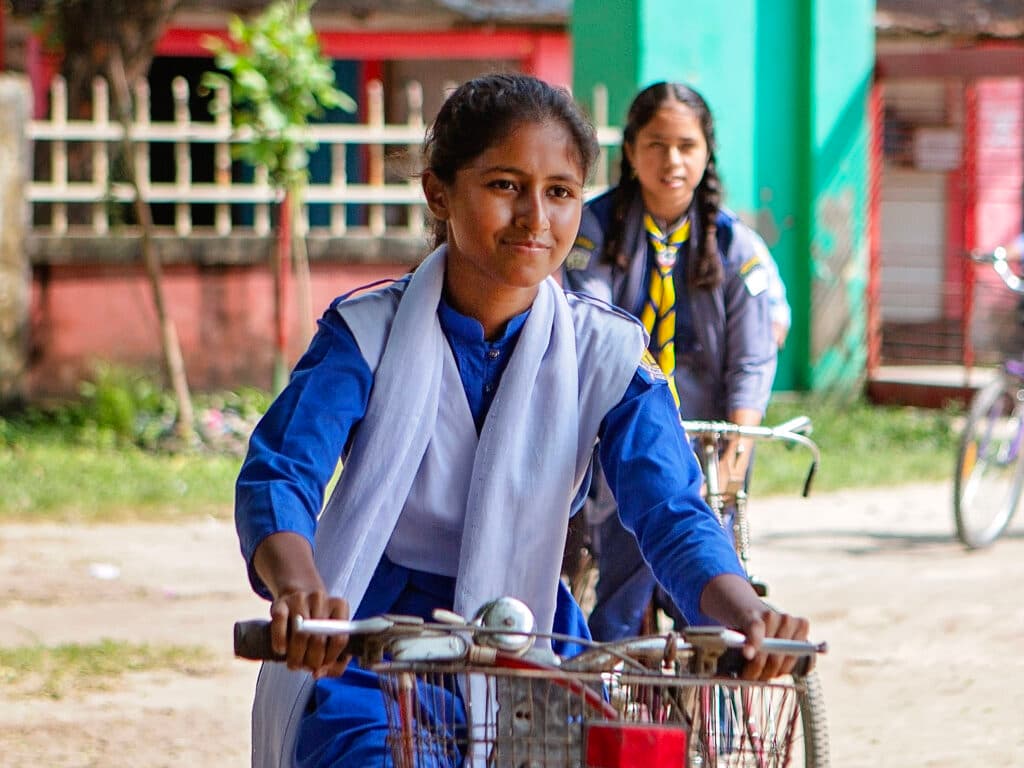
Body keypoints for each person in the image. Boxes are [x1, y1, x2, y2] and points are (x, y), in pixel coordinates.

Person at [235, 73, 810, 768]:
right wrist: (300, 588)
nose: (536, 217)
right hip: (368, 639)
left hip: (532, 641)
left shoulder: (611, 355)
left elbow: (672, 511)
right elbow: (283, 469)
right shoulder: (365, 333)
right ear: (439, 193)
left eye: (561, 192)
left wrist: (742, 610)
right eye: (506, 185)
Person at [563, 81, 785, 641]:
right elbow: (594, 325)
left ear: (706, 153)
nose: (672, 161)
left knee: (716, 610)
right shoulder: (588, 231)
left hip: (711, 447)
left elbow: (753, 360)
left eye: (686, 146)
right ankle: (603, 710)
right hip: (619, 437)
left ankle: (718, 722)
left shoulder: (738, 247)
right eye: (656, 145)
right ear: (631, 150)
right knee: (621, 596)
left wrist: (739, 448)